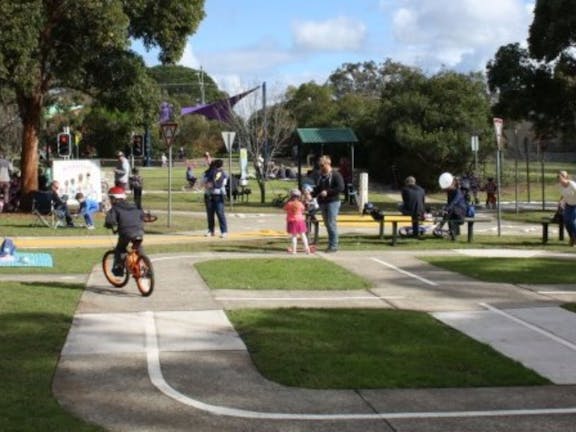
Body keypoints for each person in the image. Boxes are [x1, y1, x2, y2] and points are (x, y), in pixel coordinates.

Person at [104, 186, 145, 276]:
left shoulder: (115, 208)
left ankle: (119, 268)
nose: (110, 200)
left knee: (120, 248)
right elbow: (143, 215)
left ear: (114, 199)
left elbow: (110, 221)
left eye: (110, 198)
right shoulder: (135, 205)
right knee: (138, 245)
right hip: (140, 231)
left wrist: (108, 225)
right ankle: (144, 264)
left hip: (126, 232)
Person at [312, 155, 345, 252]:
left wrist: (328, 192)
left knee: (331, 223)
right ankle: (331, 244)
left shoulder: (336, 175)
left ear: (328, 164)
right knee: (327, 224)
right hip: (323, 202)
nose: (321, 168)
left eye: (322, 165)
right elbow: (318, 189)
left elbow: (340, 188)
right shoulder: (320, 176)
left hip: (333, 202)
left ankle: (334, 246)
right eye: (320, 166)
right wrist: (311, 194)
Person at [203, 159, 228, 238]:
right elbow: (203, 182)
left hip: (218, 195)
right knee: (210, 214)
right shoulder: (207, 173)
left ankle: (224, 231)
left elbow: (224, 183)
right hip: (209, 195)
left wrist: (214, 183)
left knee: (220, 213)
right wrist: (207, 184)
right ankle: (211, 231)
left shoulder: (223, 173)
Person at [283, 188, 311, 254]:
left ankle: (294, 250)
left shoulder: (289, 203)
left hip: (292, 221)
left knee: (294, 236)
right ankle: (307, 249)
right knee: (303, 235)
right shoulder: (300, 203)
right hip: (300, 221)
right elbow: (303, 209)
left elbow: (285, 209)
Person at [442, 176, 467, 241]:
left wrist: (446, 209)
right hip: (454, 213)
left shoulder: (458, 192)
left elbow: (454, 202)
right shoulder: (450, 192)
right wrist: (445, 208)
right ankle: (453, 234)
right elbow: (449, 203)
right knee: (450, 214)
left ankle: (441, 226)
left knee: (450, 211)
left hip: (460, 213)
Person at [557, 170, 576, 247]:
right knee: (566, 221)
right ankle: (572, 238)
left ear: (566, 177)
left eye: (562, 176)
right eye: (559, 176)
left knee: (571, 221)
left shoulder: (572, 184)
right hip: (568, 205)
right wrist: (560, 203)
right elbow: (563, 195)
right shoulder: (560, 186)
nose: (560, 177)